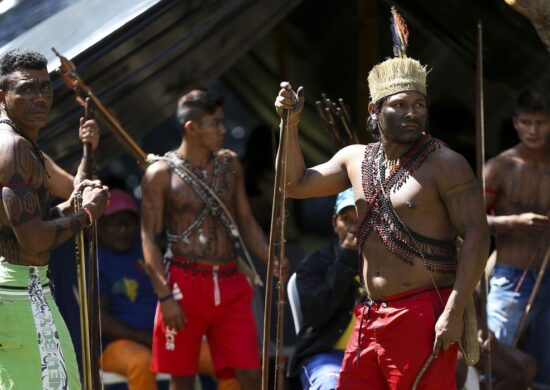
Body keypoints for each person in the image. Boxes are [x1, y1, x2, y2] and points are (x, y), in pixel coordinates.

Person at [274, 11, 490, 389]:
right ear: (375, 109)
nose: (412, 113)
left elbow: (477, 235)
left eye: (419, 105)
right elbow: (293, 184)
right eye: (400, 105)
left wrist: (454, 311)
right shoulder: (355, 158)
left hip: (424, 313)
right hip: (371, 315)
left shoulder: (446, 164)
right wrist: (290, 124)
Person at [141, 88, 271, 390]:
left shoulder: (231, 164)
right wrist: (164, 296)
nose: (224, 130)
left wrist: (269, 256)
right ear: (192, 127)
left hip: (230, 282)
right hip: (182, 286)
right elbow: (148, 237)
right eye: (215, 123)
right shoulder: (160, 174)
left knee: (251, 374)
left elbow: (246, 219)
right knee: (183, 378)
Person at [0, 48, 108, 388]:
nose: (40, 97)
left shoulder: (23, 146)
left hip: (20, 290)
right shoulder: (14, 148)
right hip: (20, 291)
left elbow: (68, 197)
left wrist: (88, 151)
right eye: (26, 88)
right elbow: (33, 238)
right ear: (2, 95)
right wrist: (90, 213)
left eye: (45, 88)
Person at [484, 85, 550, 385]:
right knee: (494, 358)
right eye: (527, 122)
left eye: (541, 123)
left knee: (544, 371)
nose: (533, 130)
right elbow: (470, 223)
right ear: (515, 123)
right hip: (510, 277)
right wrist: (515, 221)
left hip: (548, 277)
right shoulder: (499, 167)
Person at [288, 188, 361, 390]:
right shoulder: (313, 265)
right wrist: (346, 260)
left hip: (375, 355)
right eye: (347, 219)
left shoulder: (388, 265)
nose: (354, 227)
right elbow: (317, 315)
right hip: (327, 355)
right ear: (334, 223)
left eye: (361, 219)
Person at [98, 189, 159, 389]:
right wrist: (140, 336)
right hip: (117, 345)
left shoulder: (146, 252)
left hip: (164, 338)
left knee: (225, 358)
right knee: (141, 363)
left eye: (128, 222)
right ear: (100, 227)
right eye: (116, 223)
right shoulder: (96, 260)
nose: (123, 229)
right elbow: (99, 318)